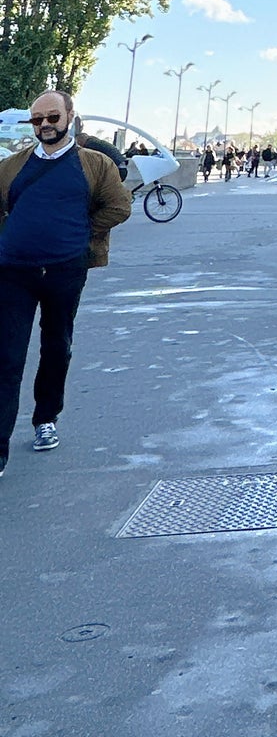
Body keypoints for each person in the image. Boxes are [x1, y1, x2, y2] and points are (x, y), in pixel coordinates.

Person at [0, 90, 132, 473]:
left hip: (64, 271)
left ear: (70, 116)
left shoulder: (95, 165)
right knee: (7, 356)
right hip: (13, 272)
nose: (45, 126)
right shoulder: (12, 167)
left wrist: (80, 235)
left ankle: (45, 419)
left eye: (52, 117)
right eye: (37, 120)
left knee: (57, 346)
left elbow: (119, 206)